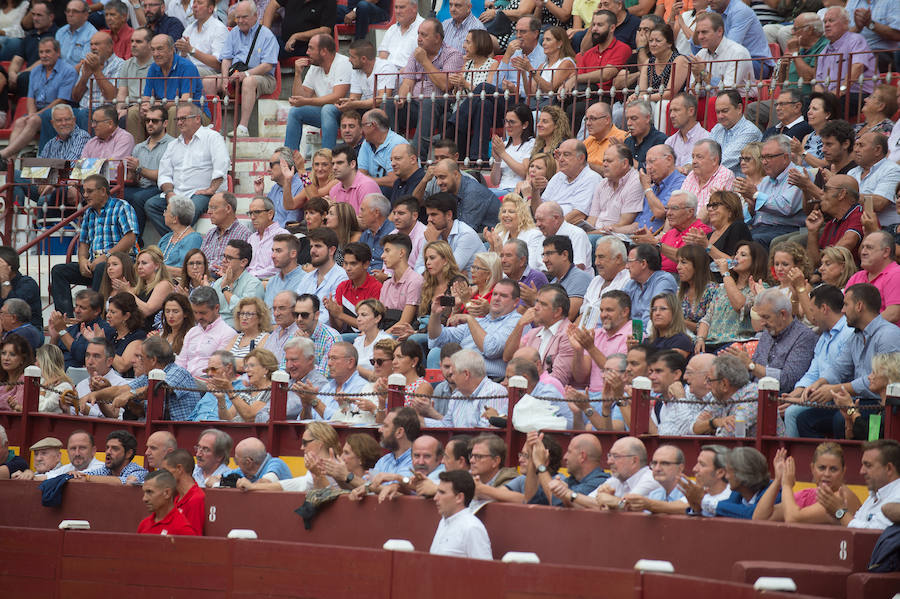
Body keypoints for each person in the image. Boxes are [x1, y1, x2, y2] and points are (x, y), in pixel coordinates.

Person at [796, 284, 900, 437]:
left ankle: (855, 460)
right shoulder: (855, 336)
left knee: (840, 420)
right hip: (856, 401)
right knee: (805, 419)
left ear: (859, 306)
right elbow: (839, 367)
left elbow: (884, 377)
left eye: (845, 304)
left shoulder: (888, 334)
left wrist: (836, 390)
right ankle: (826, 459)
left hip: (881, 405)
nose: (842, 310)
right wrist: (820, 383)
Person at [49, 175, 138, 316]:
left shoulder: (121, 206)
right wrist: (83, 261)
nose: (85, 195)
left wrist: (106, 256)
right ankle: (66, 318)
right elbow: (83, 242)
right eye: (84, 191)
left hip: (121, 262)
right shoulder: (89, 213)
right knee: (59, 271)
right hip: (95, 263)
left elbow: (130, 237)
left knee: (103, 267)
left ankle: (94, 316)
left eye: (89, 191)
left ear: (103, 191)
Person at [147, 102, 228, 234]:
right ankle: (177, 239)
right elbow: (164, 174)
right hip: (177, 193)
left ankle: (174, 241)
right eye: (177, 119)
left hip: (200, 194)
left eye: (183, 118)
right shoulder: (173, 145)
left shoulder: (212, 138)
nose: (179, 122)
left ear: (197, 119)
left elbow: (222, 165)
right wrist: (169, 193)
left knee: (190, 209)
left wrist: (211, 189)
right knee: (151, 205)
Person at [393, 18, 464, 162]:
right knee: (388, 104)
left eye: (424, 35)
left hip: (440, 103)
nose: (419, 39)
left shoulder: (452, 54)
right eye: (418, 34)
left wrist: (424, 61)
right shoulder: (416, 54)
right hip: (414, 103)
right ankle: (391, 155)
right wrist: (401, 97)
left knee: (427, 103)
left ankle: (418, 159)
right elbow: (407, 82)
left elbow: (446, 85)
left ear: (437, 38)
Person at [427, 278, 522, 379]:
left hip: (490, 379)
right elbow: (438, 337)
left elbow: (491, 349)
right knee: (436, 354)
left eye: (503, 296)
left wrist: (470, 319)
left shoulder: (517, 321)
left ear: (516, 301)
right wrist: (435, 315)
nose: (497, 298)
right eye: (495, 294)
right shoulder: (483, 321)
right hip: (463, 376)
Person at [754, 444, 862, 525]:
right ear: (812, 469)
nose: (827, 474)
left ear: (843, 471)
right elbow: (760, 518)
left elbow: (793, 520)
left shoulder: (843, 496)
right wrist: (778, 480)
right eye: (822, 468)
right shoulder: (808, 495)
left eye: (833, 469)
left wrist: (786, 485)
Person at [216, 1, 277, 138]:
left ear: (255, 16)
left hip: (263, 76)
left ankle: (243, 127)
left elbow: (268, 65)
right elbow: (226, 58)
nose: (240, 21)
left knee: (249, 81)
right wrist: (225, 78)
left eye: (244, 17)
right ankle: (212, 125)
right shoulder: (233, 33)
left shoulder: (267, 35)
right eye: (237, 17)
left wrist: (247, 74)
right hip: (236, 72)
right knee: (209, 81)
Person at [131, 34, 205, 142]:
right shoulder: (153, 68)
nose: (156, 54)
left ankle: (172, 153)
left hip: (194, 112)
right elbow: (146, 97)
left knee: (176, 111)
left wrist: (158, 105)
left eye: (160, 49)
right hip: (164, 109)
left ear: (171, 50)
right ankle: (137, 152)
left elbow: (185, 101)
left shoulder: (187, 67)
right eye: (153, 50)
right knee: (133, 111)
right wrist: (145, 106)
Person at [283, 34, 350, 151]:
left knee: (328, 109)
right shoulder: (315, 66)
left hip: (346, 113)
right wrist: (297, 74)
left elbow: (337, 97)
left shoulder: (343, 63)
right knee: (295, 112)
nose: (307, 52)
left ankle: (327, 157)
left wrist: (306, 101)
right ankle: (289, 161)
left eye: (311, 48)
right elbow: (299, 98)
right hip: (325, 113)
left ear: (323, 51)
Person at [504, 284, 576, 386]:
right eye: (536, 301)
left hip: (549, 396)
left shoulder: (568, 335)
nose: (536, 307)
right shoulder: (533, 333)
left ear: (557, 311)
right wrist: (520, 325)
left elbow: (558, 379)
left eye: (543, 304)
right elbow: (508, 357)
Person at [813, 7, 876, 118]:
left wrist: (840, 91)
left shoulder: (855, 40)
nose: (826, 25)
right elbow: (818, 83)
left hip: (857, 94)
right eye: (825, 22)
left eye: (831, 21)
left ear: (845, 23)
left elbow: (858, 67)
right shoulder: (824, 51)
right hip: (831, 97)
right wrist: (820, 98)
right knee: (807, 104)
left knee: (835, 106)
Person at [123, 105, 174, 238]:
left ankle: (135, 241)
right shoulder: (139, 147)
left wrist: (139, 169)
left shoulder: (172, 145)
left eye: (155, 121)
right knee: (117, 193)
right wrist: (131, 172)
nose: (150, 124)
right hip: (141, 187)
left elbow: (164, 176)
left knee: (138, 198)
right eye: (147, 120)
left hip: (160, 188)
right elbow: (133, 179)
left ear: (165, 123)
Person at [688, 11, 753, 101]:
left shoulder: (738, 52)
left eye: (704, 32)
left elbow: (727, 91)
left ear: (719, 31)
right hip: (712, 101)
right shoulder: (701, 54)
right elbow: (693, 94)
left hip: (739, 102)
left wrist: (703, 72)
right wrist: (697, 79)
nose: (700, 37)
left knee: (711, 103)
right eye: (698, 32)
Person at [428, 469, 492, 559]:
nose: (435, 498)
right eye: (437, 492)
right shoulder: (443, 521)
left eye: (442, 493)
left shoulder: (472, 528)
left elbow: (485, 568)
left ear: (459, 497)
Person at [176, 286, 237, 378]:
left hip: (206, 382)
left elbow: (216, 368)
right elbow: (181, 362)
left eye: (203, 313)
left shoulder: (228, 333)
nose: (198, 317)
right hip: (185, 381)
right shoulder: (192, 332)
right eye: (195, 312)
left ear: (216, 308)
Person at [693, 354, 759, 437]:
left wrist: (710, 427)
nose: (706, 385)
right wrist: (715, 422)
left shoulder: (753, 395)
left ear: (724, 384)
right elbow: (695, 428)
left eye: (709, 380)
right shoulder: (719, 397)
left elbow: (730, 433)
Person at [415, 193, 484, 275]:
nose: (429, 219)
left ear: (449, 215)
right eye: (428, 215)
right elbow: (417, 270)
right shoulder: (432, 232)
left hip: (473, 285)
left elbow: (450, 272)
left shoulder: (466, 234)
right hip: (444, 284)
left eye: (434, 214)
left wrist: (433, 243)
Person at [537, 139, 602, 223]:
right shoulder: (558, 176)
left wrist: (552, 225)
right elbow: (541, 207)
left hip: (565, 229)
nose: (560, 159)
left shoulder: (591, 178)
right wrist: (535, 192)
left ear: (581, 158)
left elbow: (579, 215)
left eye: (566, 155)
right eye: (559, 155)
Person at [431, 158, 500, 232]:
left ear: (456, 174)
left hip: (494, 238)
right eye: (436, 178)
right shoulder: (452, 189)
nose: (438, 183)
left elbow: (464, 233)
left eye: (442, 177)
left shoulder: (473, 192)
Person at [845, 232, 900, 324]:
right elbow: (843, 309)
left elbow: (893, 314)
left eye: (869, 247)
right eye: (863, 247)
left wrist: (864, 327)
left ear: (886, 252)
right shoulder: (857, 276)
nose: (863, 252)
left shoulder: (896, 274)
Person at [849, 132, 900, 232]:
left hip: (884, 231)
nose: (855, 150)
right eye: (856, 145)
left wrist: (846, 194)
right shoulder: (852, 172)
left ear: (877, 150)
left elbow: (879, 203)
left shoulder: (892, 170)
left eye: (861, 145)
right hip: (854, 226)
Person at [683, 190, 753, 261]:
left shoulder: (738, 227)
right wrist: (691, 248)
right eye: (709, 206)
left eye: (715, 205)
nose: (710, 209)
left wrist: (707, 246)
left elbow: (735, 263)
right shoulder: (708, 236)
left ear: (730, 210)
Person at [705, 446, 772, 518]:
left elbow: (753, 514)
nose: (726, 477)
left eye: (729, 472)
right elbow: (726, 509)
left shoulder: (774, 493)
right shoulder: (738, 493)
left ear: (742, 474)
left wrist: (703, 501)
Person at [211, 239, 264, 329]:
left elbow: (244, 313)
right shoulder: (218, 282)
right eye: (224, 256)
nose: (224, 260)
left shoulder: (254, 285)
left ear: (243, 262)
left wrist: (225, 289)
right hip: (215, 330)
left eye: (229, 258)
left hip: (239, 332)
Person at [708, 90, 763, 177]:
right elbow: (703, 152)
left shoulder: (750, 131)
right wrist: (688, 166)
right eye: (718, 112)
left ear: (739, 108)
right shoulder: (718, 128)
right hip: (713, 180)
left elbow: (725, 161)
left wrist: (698, 167)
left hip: (738, 187)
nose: (720, 116)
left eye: (725, 111)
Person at [213, 348, 277, 422]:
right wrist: (221, 399)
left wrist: (229, 389)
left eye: (252, 366)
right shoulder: (247, 390)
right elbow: (227, 418)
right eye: (246, 366)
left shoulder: (271, 391)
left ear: (266, 369)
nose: (246, 370)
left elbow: (249, 416)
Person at [635, 144, 686, 233]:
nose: (647, 167)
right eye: (646, 163)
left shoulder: (681, 182)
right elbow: (638, 224)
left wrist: (646, 187)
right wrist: (613, 230)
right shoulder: (653, 188)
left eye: (652, 161)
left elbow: (660, 212)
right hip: (638, 239)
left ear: (669, 160)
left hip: (657, 242)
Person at [199, 192, 251, 278]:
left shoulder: (243, 234)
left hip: (224, 279)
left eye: (213, 208)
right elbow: (200, 260)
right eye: (209, 208)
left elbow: (242, 267)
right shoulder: (210, 233)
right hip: (203, 277)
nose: (209, 212)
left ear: (228, 208)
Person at [379, 233, 424, 332]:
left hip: (399, 335)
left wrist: (378, 338)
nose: (382, 256)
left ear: (401, 253)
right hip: (382, 330)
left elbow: (404, 322)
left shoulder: (415, 280)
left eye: (387, 251)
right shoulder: (386, 284)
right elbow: (377, 316)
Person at [542, 236, 592, 319]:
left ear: (564, 255)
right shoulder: (553, 282)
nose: (544, 260)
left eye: (549, 254)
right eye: (543, 255)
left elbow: (567, 316)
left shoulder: (580, 278)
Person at [489, 105, 535, 194]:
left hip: (516, 190)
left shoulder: (531, 144)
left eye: (512, 122)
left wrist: (502, 154)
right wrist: (497, 160)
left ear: (525, 124)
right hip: (501, 189)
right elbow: (495, 181)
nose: (507, 126)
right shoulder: (505, 145)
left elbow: (525, 172)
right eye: (506, 121)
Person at [262, 0, 333, 58]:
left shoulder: (328, 2)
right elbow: (273, 4)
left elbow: (325, 30)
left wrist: (297, 36)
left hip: (309, 47)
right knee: (261, 47)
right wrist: (266, 32)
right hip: (284, 42)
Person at [256, 148, 305, 231]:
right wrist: (259, 193)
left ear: (284, 164)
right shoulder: (275, 188)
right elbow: (262, 216)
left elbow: (290, 223)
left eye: (271, 165)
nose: (268, 169)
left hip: (286, 238)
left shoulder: (300, 186)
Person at [356, 109, 405, 194]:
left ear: (372, 125)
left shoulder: (397, 144)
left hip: (398, 193)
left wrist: (368, 180)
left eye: (362, 125)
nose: (361, 130)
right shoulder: (366, 143)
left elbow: (394, 180)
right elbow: (360, 174)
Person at [74, 430, 148, 485]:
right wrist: (74, 475)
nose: (108, 452)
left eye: (115, 448)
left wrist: (88, 478)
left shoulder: (138, 471)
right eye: (107, 448)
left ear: (128, 453)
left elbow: (128, 482)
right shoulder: (105, 469)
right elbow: (78, 476)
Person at [136, 470, 198, 535]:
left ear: (167, 493)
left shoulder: (182, 529)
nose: (144, 499)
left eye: (150, 492)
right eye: (144, 492)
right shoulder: (144, 525)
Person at [675, 245, 717, 334]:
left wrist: (678, 322)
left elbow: (713, 327)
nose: (678, 267)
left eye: (683, 262)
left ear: (697, 265)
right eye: (678, 262)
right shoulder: (680, 292)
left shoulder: (712, 291)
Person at [221, 297, 270, 371]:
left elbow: (252, 365)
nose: (244, 318)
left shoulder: (265, 338)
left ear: (260, 317)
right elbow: (222, 361)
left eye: (249, 314)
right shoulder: (236, 337)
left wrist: (229, 363)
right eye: (242, 313)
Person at [245, 196, 288, 280]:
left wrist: (250, 276)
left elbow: (277, 268)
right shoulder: (252, 238)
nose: (252, 217)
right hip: (249, 280)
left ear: (270, 214)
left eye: (257, 212)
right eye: (250, 213)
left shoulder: (282, 235)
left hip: (270, 281)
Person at [0, 247, 41, 330]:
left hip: (28, 330)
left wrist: (5, 281)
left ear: (9, 267)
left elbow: (13, 309)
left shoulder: (28, 284)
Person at [665, 92, 707, 168]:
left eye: (676, 110)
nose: (671, 115)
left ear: (691, 111)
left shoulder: (706, 138)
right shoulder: (669, 142)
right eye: (671, 111)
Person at [225, 437, 292, 484]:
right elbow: (218, 478)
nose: (236, 464)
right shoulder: (243, 471)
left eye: (236, 460)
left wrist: (246, 486)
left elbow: (266, 482)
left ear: (248, 462)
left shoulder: (276, 464)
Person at [56, 0, 97, 67]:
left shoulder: (92, 35)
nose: (70, 14)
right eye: (68, 11)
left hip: (78, 75)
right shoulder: (61, 32)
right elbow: (55, 58)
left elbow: (85, 66)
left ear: (86, 15)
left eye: (75, 11)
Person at [0, 334, 32, 412]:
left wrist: (15, 406)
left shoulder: (24, 379)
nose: (6, 358)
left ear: (22, 359)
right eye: (3, 353)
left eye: (12, 354)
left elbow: (20, 410)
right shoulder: (2, 378)